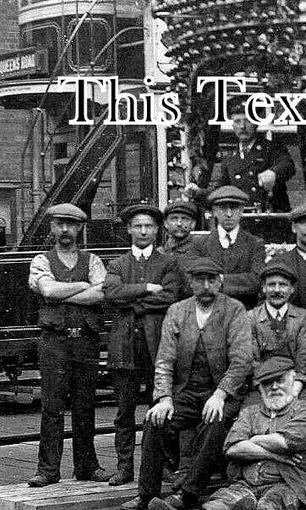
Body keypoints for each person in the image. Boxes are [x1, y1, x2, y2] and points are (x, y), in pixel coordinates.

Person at [122, 257, 252, 510]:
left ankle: (187, 494)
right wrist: (164, 398)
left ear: (220, 281)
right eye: (200, 280)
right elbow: (165, 359)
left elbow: (242, 359)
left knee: (215, 421)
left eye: (211, 279)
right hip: (186, 392)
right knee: (154, 420)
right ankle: (147, 495)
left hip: (222, 392)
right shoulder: (178, 311)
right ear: (191, 283)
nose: (206, 285)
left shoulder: (234, 309)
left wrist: (221, 394)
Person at [27, 203, 110, 487]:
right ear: (51, 227)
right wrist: (82, 284)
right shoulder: (41, 259)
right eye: (59, 224)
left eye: (70, 224)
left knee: (86, 405)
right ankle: (48, 470)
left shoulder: (93, 259)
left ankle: (86, 466)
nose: (64, 229)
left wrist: (63, 292)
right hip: (54, 342)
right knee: (52, 406)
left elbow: (101, 293)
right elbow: (47, 290)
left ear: (79, 228)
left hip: (86, 341)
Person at [105, 204, 183, 485]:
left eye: (149, 226)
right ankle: (124, 467)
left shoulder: (168, 263)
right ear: (129, 229)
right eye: (137, 226)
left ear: (157, 229)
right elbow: (111, 293)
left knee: (160, 408)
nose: (143, 231)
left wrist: (133, 302)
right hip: (124, 347)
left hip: (156, 347)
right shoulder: (117, 264)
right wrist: (147, 289)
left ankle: (160, 465)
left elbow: (172, 296)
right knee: (124, 412)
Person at [204, 357, 306, 510]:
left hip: (289, 485)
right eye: (267, 383)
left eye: (280, 380)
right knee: (215, 506)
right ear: (260, 388)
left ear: (293, 380)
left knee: (268, 507)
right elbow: (232, 449)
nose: (274, 387)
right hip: (244, 484)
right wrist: (274, 455)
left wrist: (253, 439)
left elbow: (284, 442)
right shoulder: (249, 413)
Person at [247, 262, 306, 414]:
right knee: (252, 415)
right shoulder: (251, 318)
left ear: (291, 289)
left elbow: (305, 358)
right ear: (263, 288)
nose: (277, 290)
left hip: (297, 383)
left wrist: (294, 391)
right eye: (271, 285)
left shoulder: (303, 317)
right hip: (263, 385)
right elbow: (252, 361)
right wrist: (266, 391)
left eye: (283, 285)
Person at [206, 104, 295, 213]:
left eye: (247, 121)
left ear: (256, 124)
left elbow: (287, 164)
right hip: (242, 218)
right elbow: (220, 190)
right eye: (237, 122)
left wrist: (273, 172)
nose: (242, 126)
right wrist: (198, 193)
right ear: (233, 126)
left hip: (270, 218)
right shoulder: (230, 158)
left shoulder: (271, 147)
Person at [193, 186, 266, 308]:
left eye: (234, 208)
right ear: (214, 211)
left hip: (244, 311)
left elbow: (256, 281)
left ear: (242, 210)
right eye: (223, 208)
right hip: (209, 311)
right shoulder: (201, 244)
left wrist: (218, 280)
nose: (229, 214)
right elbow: (194, 281)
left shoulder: (254, 244)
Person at [161, 200, 202, 292]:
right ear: (166, 223)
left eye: (185, 219)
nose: (179, 224)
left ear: (193, 224)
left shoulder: (200, 250)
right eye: (174, 219)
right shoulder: (160, 252)